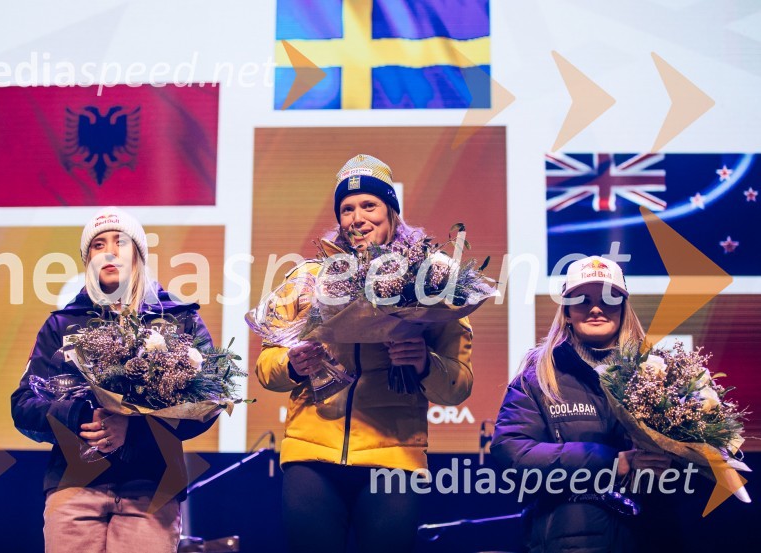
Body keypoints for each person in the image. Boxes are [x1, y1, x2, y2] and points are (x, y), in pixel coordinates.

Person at [255, 154, 475, 553]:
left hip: (394, 455)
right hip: (311, 455)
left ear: (391, 212)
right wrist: (292, 363)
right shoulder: (309, 277)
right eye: (346, 209)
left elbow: (458, 386)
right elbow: (266, 365)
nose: (357, 217)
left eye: (369, 205)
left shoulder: (430, 280)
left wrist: (424, 363)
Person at [11, 207, 216, 553]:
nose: (109, 250)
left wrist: (132, 429)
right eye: (97, 245)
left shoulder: (180, 320)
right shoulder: (61, 325)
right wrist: (77, 417)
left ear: (138, 253)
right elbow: (23, 406)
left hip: (151, 488)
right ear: (86, 259)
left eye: (120, 241)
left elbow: (208, 401)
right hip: (73, 487)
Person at [491, 256, 671, 553]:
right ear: (568, 310)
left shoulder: (659, 372)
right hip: (572, 541)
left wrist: (673, 464)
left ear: (624, 307)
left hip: (655, 536)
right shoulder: (538, 377)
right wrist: (613, 463)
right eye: (582, 299)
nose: (596, 308)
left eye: (609, 298)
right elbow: (512, 454)